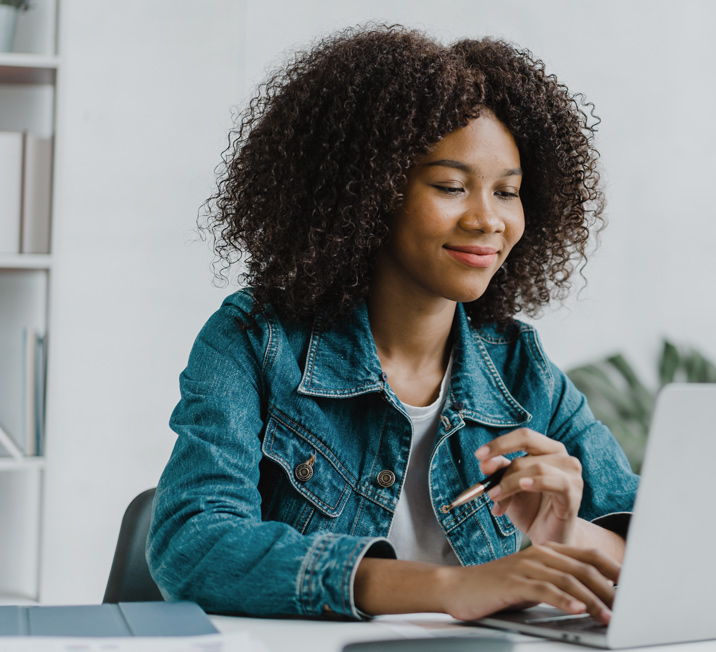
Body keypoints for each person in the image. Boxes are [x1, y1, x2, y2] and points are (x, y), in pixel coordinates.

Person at [147, 25, 639, 624]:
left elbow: (665, 563)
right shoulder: (254, 341)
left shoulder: (519, 371)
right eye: (452, 186)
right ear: (370, 192)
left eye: (507, 193)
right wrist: (450, 588)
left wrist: (569, 537)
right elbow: (193, 546)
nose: (489, 220)